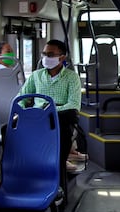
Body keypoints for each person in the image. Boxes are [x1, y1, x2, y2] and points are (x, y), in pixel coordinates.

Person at [16, 39, 82, 199]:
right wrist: (25, 111)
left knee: (63, 134)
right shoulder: (36, 76)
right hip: (37, 120)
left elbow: (73, 105)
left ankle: (57, 185)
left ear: (62, 57)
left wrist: (49, 111)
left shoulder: (72, 78)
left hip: (59, 120)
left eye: (50, 54)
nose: (46, 57)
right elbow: (21, 98)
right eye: (44, 54)